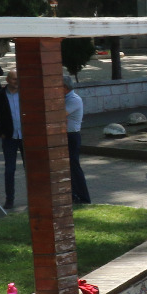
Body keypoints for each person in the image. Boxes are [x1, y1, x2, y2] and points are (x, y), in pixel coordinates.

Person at [0, 70, 24, 210]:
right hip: (9, 138)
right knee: (9, 169)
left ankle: (35, 196)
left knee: (31, 169)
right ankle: (9, 200)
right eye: (14, 79)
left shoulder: (25, 94)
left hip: (26, 137)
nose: (16, 82)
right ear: (7, 80)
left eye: (18, 79)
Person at [62, 73, 91, 204]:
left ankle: (84, 197)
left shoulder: (74, 99)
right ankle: (74, 195)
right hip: (66, 136)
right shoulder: (64, 98)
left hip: (72, 136)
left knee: (74, 167)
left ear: (65, 87)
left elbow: (59, 115)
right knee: (67, 168)